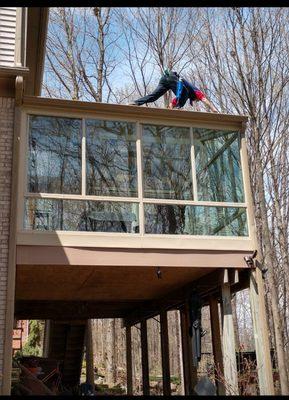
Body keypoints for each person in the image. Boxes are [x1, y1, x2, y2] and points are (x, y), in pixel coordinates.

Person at [130, 70, 218, 112]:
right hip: (173, 78)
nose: (196, 101)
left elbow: (172, 104)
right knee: (183, 97)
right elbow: (205, 100)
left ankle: (135, 103)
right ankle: (179, 107)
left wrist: (169, 112)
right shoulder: (196, 92)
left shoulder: (182, 95)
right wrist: (214, 110)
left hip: (165, 79)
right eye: (197, 100)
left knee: (154, 97)